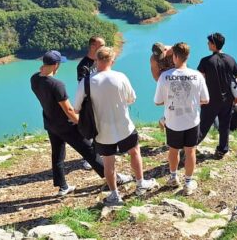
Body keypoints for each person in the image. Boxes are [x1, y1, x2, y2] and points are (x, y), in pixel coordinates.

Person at [74, 47, 158, 205]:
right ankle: (140, 184)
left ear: (96, 61)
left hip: (101, 131)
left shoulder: (86, 82)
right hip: (124, 126)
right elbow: (131, 98)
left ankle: (115, 195)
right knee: (134, 152)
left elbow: (76, 108)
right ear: (112, 61)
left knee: (108, 162)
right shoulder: (120, 77)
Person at [30, 50, 106, 196]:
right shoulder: (57, 85)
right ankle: (111, 178)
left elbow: (41, 76)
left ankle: (62, 186)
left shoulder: (34, 79)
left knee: (57, 155)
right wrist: (81, 124)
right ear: (56, 65)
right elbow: (69, 110)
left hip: (51, 124)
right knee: (89, 151)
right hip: (66, 126)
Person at [154, 42, 209, 196]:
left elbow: (158, 101)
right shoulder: (197, 75)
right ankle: (188, 182)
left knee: (173, 150)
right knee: (191, 150)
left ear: (175, 56)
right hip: (192, 120)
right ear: (187, 56)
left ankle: (173, 177)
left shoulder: (165, 76)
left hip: (172, 121)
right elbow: (205, 100)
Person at [197, 32, 237, 159]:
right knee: (224, 125)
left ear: (213, 44)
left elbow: (198, 80)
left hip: (210, 100)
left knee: (204, 125)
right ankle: (222, 150)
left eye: (209, 42)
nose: (207, 44)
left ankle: (191, 146)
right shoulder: (230, 59)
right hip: (228, 99)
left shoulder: (205, 61)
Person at [76, 36, 105, 171]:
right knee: (91, 131)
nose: (104, 48)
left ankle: (101, 152)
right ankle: (90, 159)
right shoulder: (83, 66)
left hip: (103, 100)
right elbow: (83, 86)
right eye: (101, 45)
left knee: (102, 128)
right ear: (93, 46)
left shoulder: (101, 61)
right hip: (90, 103)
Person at [151, 42, 176, 130]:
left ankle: (164, 120)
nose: (159, 59)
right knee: (171, 103)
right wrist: (164, 85)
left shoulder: (174, 50)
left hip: (179, 78)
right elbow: (156, 75)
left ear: (165, 49)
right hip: (166, 82)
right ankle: (166, 120)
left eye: (161, 55)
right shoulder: (154, 59)